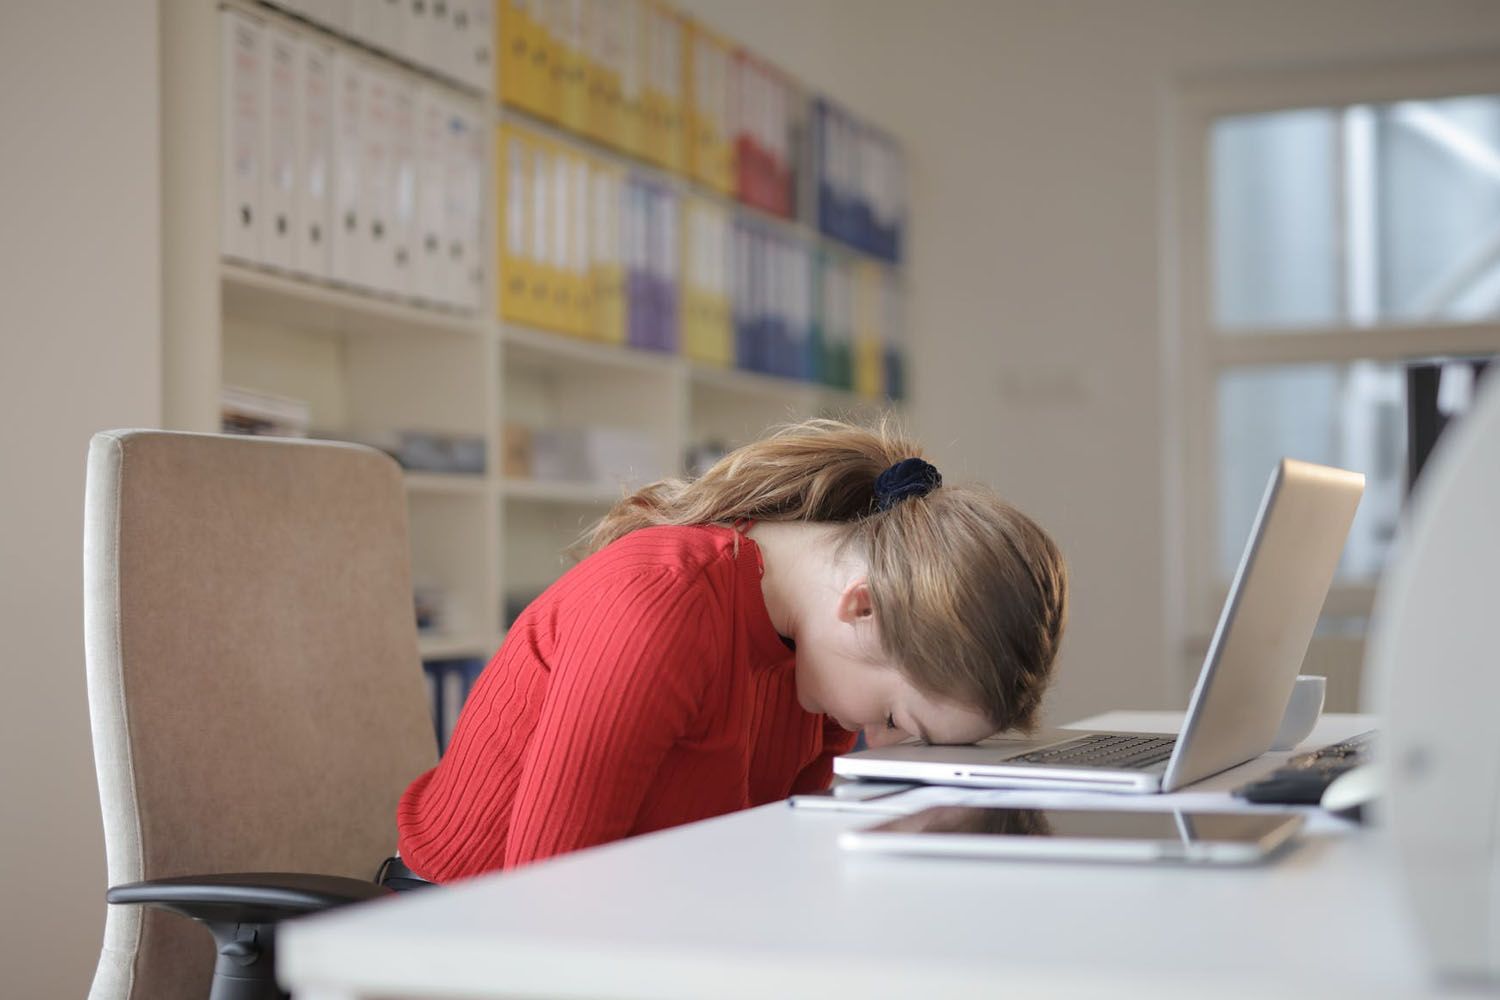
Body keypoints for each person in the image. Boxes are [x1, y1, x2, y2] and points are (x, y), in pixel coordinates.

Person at [394, 417, 1069, 881]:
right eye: (897, 721)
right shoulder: (661, 605)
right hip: (456, 932)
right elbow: (546, 903)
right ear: (861, 607)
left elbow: (767, 863)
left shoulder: (816, 664)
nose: (884, 746)